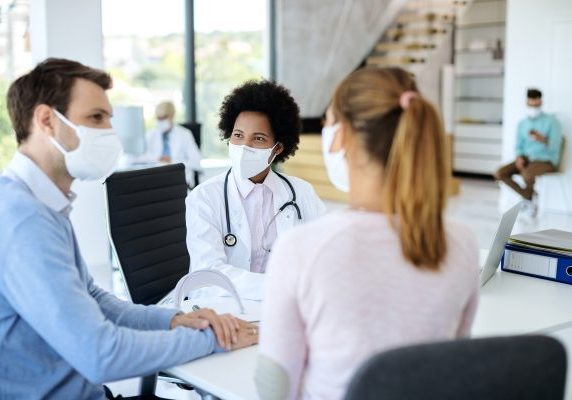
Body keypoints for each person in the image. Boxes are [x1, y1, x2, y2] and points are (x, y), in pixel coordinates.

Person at [0, 58, 257, 400]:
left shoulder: (43, 205)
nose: (109, 132)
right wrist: (211, 338)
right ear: (47, 120)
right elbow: (101, 354)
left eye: (108, 119)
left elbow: (94, 298)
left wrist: (175, 320)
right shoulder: (23, 219)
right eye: (96, 118)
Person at [255, 67, 480, 400]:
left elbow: (275, 386)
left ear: (342, 135)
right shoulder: (461, 242)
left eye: (328, 121)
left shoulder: (302, 249)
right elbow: (451, 362)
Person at [186, 80, 326, 301]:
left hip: (283, 309)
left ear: (277, 148)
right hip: (224, 311)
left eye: (258, 138)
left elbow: (324, 256)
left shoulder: (302, 193)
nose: (245, 147)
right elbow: (210, 277)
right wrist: (283, 288)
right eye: (238, 135)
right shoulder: (203, 198)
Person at [494, 88, 562, 216]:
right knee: (500, 173)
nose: (533, 106)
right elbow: (518, 145)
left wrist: (543, 139)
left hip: (545, 160)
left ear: (540, 102)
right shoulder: (523, 124)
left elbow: (556, 146)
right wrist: (519, 157)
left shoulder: (552, 122)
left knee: (527, 173)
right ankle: (528, 196)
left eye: (536, 103)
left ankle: (528, 198)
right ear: (527, 102)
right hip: (526, 159)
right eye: (531, 103)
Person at [144, 101, 202, 186]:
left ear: (172, 116)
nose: (161, 121)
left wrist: (172, 161)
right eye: (158, 118)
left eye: (164, 118)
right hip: (156, 179)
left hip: (180, 180)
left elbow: (196, 162)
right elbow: (133, 159)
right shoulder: (150, 135)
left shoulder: (185, 134)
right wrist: (157, 158)